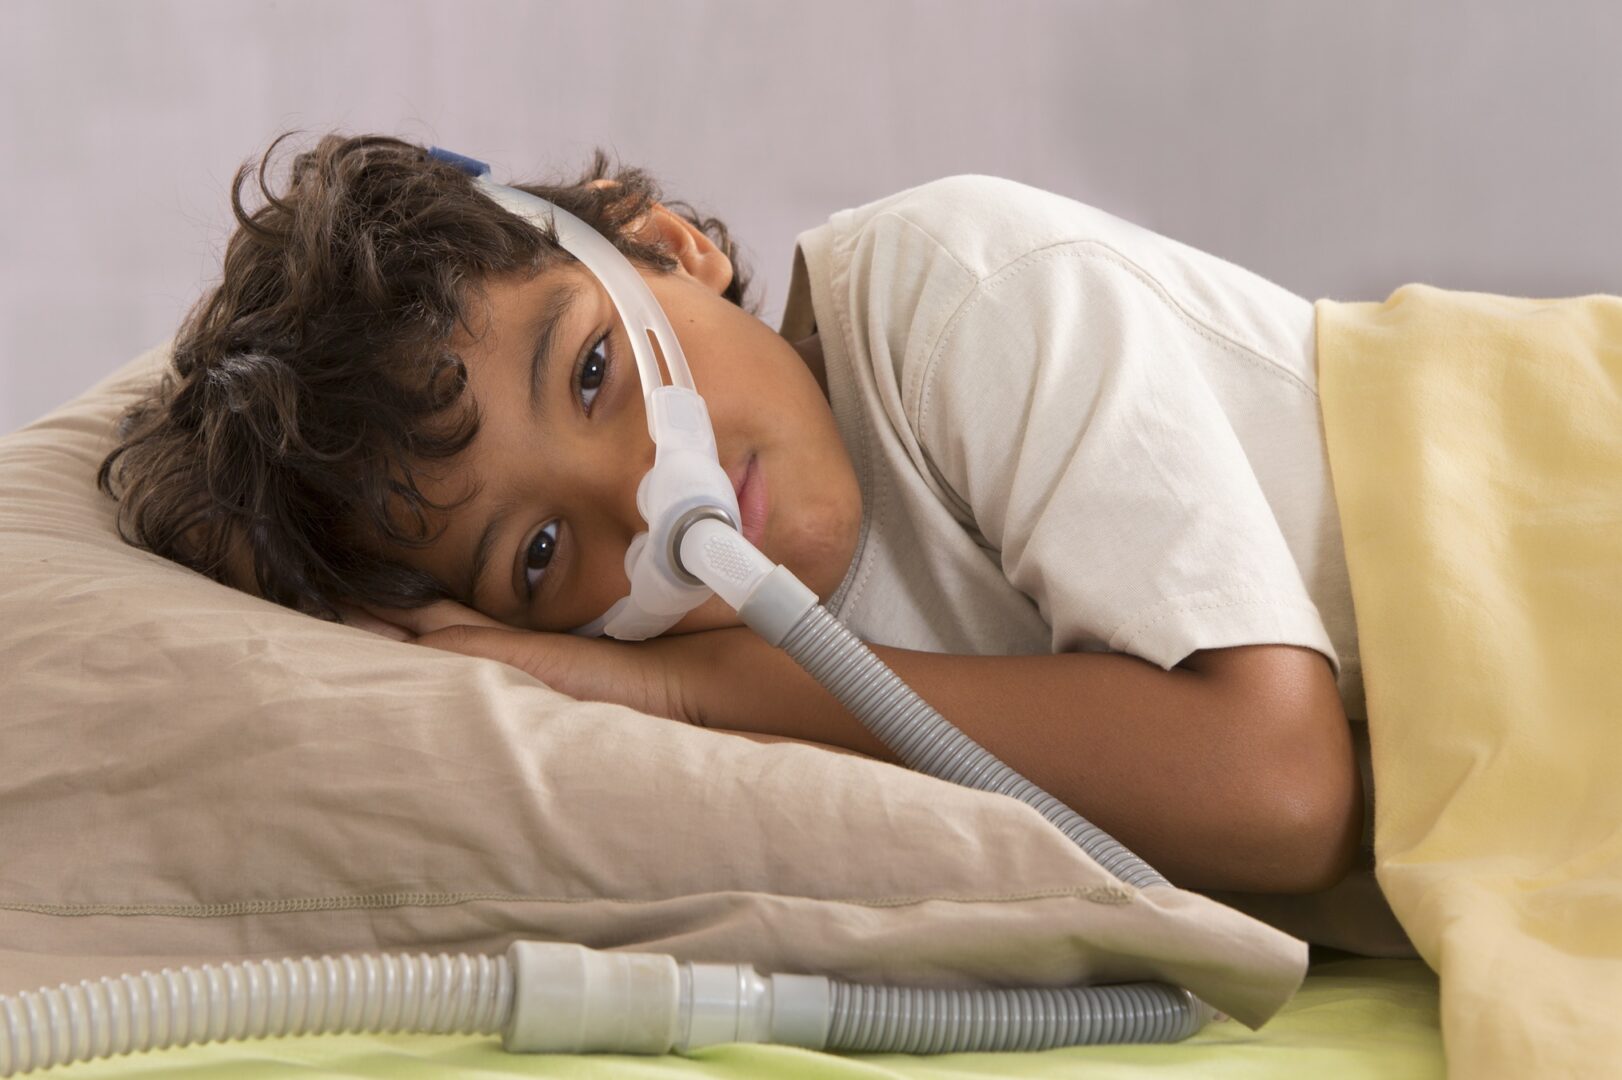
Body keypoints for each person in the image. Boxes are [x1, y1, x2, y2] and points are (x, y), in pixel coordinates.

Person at [98, 132, 1364, 899]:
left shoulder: (956, 290)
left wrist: (716, 690)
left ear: (666, 246)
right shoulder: (651, 702)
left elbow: (1282, 790)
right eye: (539, 554)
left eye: (593, 371)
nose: (640, 488)